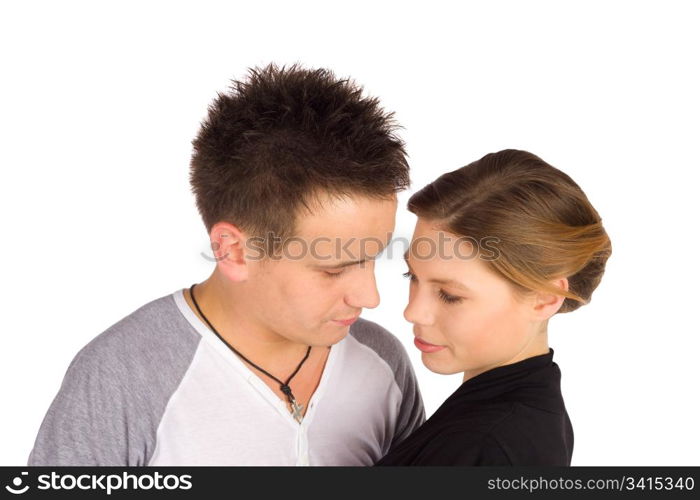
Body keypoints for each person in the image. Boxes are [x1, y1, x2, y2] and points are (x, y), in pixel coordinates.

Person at [28, 64, 425, 466]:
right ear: (233, 250)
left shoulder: (382, 361)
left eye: (374, 257)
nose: (370, 297)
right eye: (334, 268)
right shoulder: (121, 378)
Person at [375, 149, 612, 466]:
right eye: (413, 276)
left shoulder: (486, 444)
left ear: (545, 298)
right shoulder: (514, 417)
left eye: (449, 295)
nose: (413, 312)